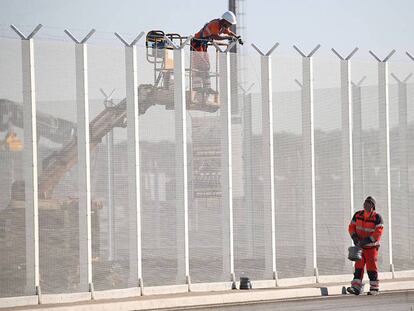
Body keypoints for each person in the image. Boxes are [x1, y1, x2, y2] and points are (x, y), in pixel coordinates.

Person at [190, 11, 243, 94]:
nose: (230, 25)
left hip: (203, 44)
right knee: (199, 65)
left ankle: (207, 87)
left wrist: (236, 37)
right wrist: (228, 37)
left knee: (207, 66)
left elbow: (229, 33)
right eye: (229, 23)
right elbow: (215, 36)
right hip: (197, 43)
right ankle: (197, 87)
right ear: (225, 21)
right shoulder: (216, 24)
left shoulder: (222, 27)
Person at [347, 196, 384, 295]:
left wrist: (366, 241)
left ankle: (374, 289)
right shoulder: (358, 215)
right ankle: (356, 287)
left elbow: (378, 233)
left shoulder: (377, 218)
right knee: (358, 267)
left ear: (372, 205)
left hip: (371, 248)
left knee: (371, 268)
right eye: (365, 202)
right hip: (360, 248)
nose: (365, 204)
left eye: (368, 202)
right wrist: (354, 237)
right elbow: (351, 227)